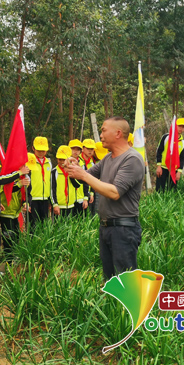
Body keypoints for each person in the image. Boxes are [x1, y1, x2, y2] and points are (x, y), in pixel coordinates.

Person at [67, 117, 144, 280]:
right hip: (107, 228)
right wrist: (72, 167)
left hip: (123, 230)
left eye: (103, 130)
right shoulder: (107, 159)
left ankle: (131, 306)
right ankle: (112, 305)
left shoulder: (132, 159)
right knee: (110, 280)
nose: (100, 136)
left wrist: (83, 175)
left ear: (118, 133)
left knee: (126, 281)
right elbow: (84, 177)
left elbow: (115, 192)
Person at [0, 147, 28, 278]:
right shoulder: (7, 174)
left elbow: (23, 193)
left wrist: (25, 202)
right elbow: (8, 188)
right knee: (5, 239)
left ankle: (9, 262)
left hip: (14, 212)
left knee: (15, 238)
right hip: (4, 213)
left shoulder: (19, 174)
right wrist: (20, 183)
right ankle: (5, 263)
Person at [156, 118, 184, 192]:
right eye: (179, 126)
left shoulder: (183, 142)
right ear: (175, 126)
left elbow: (182, 158)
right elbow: (159, 151)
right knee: (160, 190)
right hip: (163, 168)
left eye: (183, 127)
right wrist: (158, 166)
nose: (181, 129)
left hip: (174, 170)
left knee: (172, 191)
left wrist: (179, 172)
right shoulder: (166, 137)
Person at [28, 136, 52, 229]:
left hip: (45, 199)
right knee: (33, 226)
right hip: (33, 199)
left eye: (43, 150)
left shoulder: (48, 163)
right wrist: (27, 201)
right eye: (39, 150)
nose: (41, 152)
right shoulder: (29, 162)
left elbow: (50, 181)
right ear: (33, 148)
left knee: (44, 225)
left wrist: (50, 200)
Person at [51, 146, 80, 218]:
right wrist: (55, 204)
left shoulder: (73, 170)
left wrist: (71, 175)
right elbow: (52, 189)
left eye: (64, 160)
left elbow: (78, 185)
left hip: (71, 205)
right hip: (59, 206)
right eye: (60, 159)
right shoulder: (54, 172)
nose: (62, 162)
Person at [68, 139, 89, 217]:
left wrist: (85, 198)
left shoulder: (82, 164)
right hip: (69, 201)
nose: (75, 151)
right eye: (73, 149)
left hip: (80, 199)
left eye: (78, 149)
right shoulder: (64, 163)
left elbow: (86, 181)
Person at [81, 139, 97, 215]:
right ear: (83, 148)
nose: (90, 151)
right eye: (88, 148)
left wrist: (92, 193)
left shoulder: (92, 163)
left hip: (89, 194)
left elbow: (94, 179)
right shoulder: (78, 161)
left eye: (92, 149)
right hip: (79, 194)